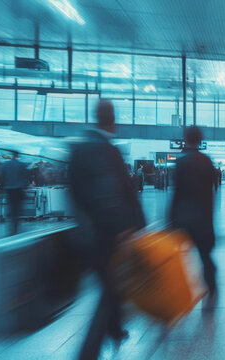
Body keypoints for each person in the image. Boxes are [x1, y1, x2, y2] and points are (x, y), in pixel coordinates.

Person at [68, 100, 146, 360]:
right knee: (111, 290)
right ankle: (88, 352)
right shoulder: (106, 150)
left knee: (111, 285)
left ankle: (115, 329)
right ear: (113, 122)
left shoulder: (77, 150)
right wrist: (124, 228)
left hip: (86, 233)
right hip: (107, 235)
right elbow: (109, 195)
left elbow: (77, 194)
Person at [169, 126, 219, 299]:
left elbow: (176, 193)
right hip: (203, 217)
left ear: (185, 139)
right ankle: (211, 285)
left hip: (184, 217)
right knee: (205, 254)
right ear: (200, 139)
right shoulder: (207, 161)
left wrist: (171, 219)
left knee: (180, 256)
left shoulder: (181, 162)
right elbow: (210, 192)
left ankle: (179, 289)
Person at [0, 151, 29, 234]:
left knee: (11, 205)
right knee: (18, 205)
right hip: (19, 188)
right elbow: (25, 177)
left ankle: (11, 220)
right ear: (17, 156)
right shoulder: (22, 165)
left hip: (9, 189)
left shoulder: (5, 164)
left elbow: (2, 176)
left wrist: (1, 186)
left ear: (12, 156)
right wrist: (25, 185)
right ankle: (16, 221)